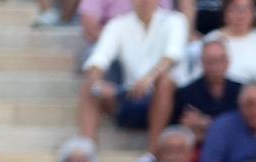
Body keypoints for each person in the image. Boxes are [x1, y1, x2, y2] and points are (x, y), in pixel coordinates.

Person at [78, 0, 187, 141]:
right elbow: (98, 59)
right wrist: (96, 84)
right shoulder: (118, 24)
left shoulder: (175, 20)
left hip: (166, 98)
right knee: (89, 88)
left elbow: (172, 55)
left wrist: (149, 78)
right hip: (130, 95)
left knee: (165, 82)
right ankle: (87, 150)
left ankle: (153, 153)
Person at [174, 37, 246, 146]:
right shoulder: (187, 92)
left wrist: (204, 121)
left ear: (228, 62)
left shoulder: (242, 91)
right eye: (210, 61)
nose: (215, 66)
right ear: (202, 62)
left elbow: (242, 126)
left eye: (219, 60)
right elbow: (187, 128)